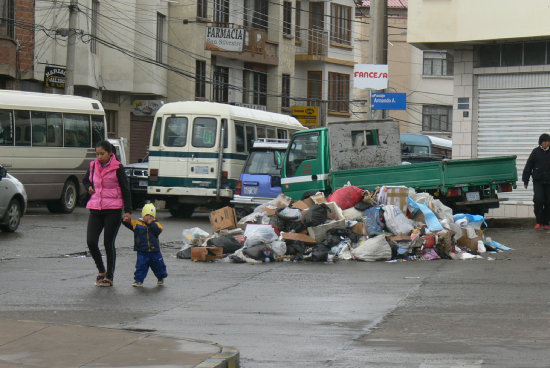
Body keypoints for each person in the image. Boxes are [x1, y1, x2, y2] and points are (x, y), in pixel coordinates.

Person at [83, 140, 132, 287]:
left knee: (108, 243)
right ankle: (101, 270)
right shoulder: (93, 166)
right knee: (91, 241)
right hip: (96, 208)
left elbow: (125, 189)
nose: (99, 157)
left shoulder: (118, 167)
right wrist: (89, 187)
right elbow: (86, 180)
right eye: (97, 154)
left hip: (113, 210)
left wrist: (128, 211)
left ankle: (109, 277)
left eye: (102, 153)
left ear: (110, 153)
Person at [123, 203, 168, 287]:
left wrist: (151, 224)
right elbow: (129, 223)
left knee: (159, 265)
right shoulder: (137, 223)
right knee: (141, 266)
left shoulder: (156, 224)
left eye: (151, 215)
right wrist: (125, 220)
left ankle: (161, 277)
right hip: (142, 251)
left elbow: (158, 231)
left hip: (154, 251)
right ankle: (138, 280)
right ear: (143, 215)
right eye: (147, 215)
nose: (149, 217)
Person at [522, 133, 550, 230]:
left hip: (548, 182)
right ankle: (539, 221)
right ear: (541, 142)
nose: (547, 143)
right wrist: (525, 180)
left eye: (548, 141)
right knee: (538, 200)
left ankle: (546, 222)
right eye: (545, 141)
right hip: (538, 181)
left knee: (548, 202)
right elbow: (528, 166)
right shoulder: (535, 152)